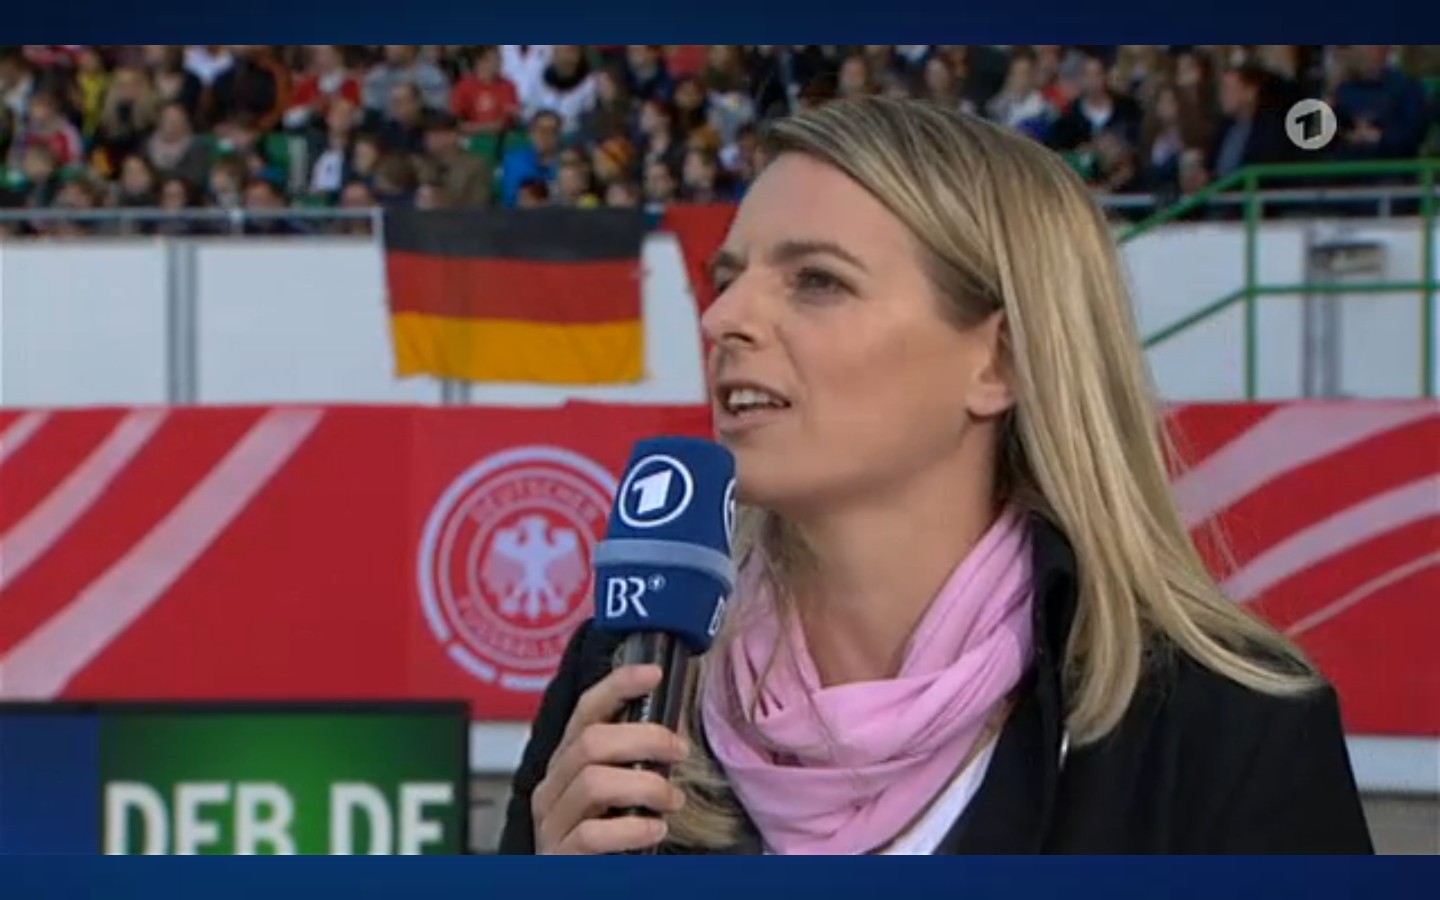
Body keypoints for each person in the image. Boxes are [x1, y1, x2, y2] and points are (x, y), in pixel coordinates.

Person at [498, 95, 1374, 856]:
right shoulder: (626, 679)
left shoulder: (1226, 731)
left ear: (999, 361)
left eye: (816, 281)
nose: (725, 316)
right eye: (725, 278)